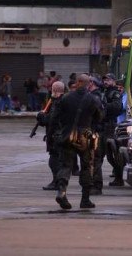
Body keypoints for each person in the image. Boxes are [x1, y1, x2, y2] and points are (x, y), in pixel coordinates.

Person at [50, 73, 103, 210]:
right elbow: (100, 117)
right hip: (86, 137)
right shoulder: (93, 99)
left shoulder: (66, 98)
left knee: (65, 166)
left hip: (67, 136)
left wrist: (59, 131)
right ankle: (85, 199)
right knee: (86, 166)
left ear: (78, 82)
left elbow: (55, 117)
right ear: (87, 83)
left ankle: (61, 192)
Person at [40, 81, 65, 191]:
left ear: (55, 90)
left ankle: (57, 182)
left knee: (54, 161)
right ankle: (57, 181)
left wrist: (41, 117)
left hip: (57, 136)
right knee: (56, 160)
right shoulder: (58, 101)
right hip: (57, 135)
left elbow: (52, 119)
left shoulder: (58, 102)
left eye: (52, 89)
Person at [103, 73, 126, 187]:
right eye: (105, 80)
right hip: (103, 125)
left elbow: (118, 107)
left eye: (108, 79)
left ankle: (119, 177)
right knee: (108, 154)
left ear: (113, 81)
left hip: (111, 125)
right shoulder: (104, 92)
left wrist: (104, 106)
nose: (106, 81)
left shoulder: (115, 93)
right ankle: (117, 175)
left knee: (115, 153)